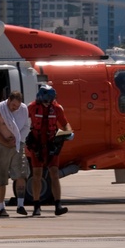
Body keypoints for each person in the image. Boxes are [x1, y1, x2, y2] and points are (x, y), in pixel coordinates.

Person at [26, 85, 73, 216]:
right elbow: (22, 121)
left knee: (54, 173)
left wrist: (68, 132)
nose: (48, 102)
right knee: (36, 175)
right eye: (46, 99)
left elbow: (65, 123)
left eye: (50, 100)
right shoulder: (31, 107)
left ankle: (58, 204)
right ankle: (36, 206)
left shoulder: (57, 108)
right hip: (36, 145)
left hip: (52, 144)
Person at [0, 90, 30, 218]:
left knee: (21, 174)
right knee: (0, 177)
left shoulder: (23, 109)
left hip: (18, 145)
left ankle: (20, 205)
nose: (15, 108)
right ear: (8, 101)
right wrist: (6, 142)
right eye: (13, 106)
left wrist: (18, 140)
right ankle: (1, 207)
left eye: (17, 106)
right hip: (1, 146)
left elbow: (27, 126)